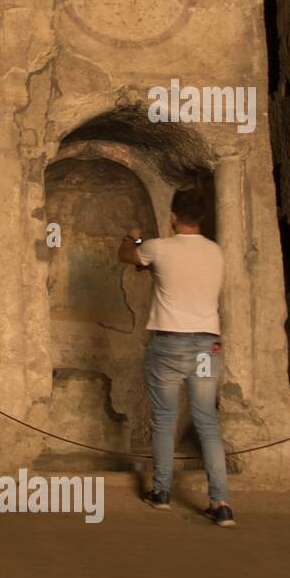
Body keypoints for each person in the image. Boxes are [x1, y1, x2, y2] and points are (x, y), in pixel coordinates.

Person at [117, 188, 234, 527]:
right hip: (205, 346)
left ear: (172, 216)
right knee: (207, 425)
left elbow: (126, 255)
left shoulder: (159, 247)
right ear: (202, 217)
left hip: (169, 344)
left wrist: (135, 238)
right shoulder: (215, 252)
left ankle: (162, 493)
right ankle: (221, 504)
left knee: (165, 420)